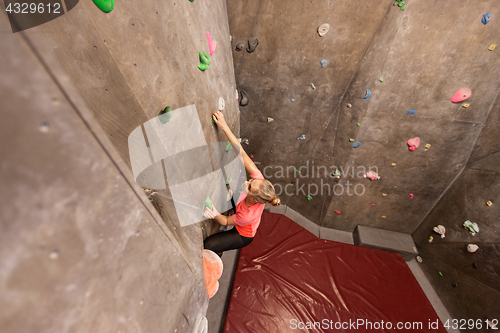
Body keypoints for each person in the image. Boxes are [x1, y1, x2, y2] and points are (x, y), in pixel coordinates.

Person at [203, 111, 280, 255]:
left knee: (209, 245)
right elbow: (241, 153)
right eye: (253, 180)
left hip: (242, 234)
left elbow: (225, 221)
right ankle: (234, 207)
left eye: (250, 186)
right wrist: (224, 126)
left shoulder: (247, 216)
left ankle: (219, 251)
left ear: (254, 198)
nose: (249, 181)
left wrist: (214, 214)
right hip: (240, 208)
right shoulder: (259, 180)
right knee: (234, 188)